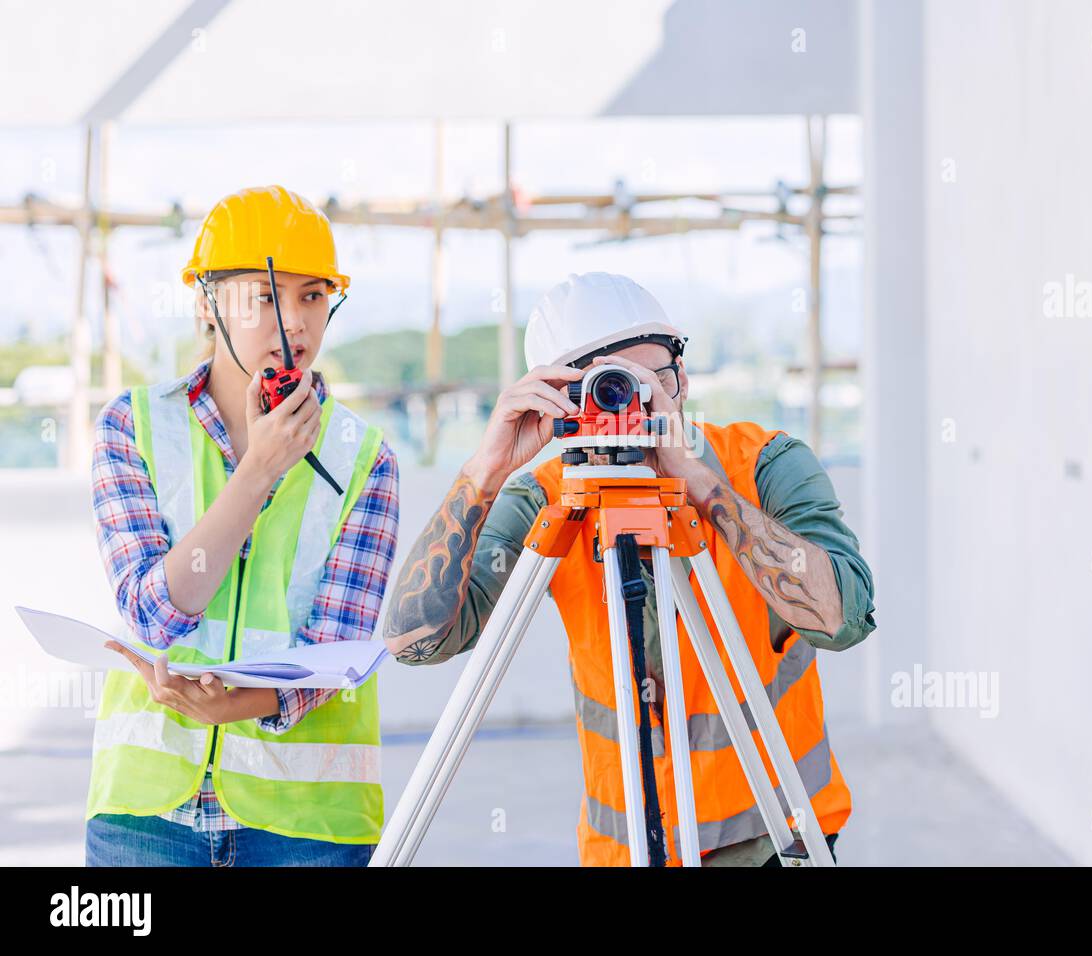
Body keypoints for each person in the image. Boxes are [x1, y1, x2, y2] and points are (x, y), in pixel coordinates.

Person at [383, 271, 875, 866]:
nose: (634, 402)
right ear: (556, 396)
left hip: (779, 837)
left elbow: (842, 619)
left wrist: (696, 483)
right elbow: (416, 642)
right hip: (624, 850)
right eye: (606, 385)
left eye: (652, 380)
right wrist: (484, 470)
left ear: (683, 377)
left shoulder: (765, 464)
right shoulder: (546, 502)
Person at [84, 185, 399, 867]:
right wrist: (257, 472)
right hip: (146, 816)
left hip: (307, 825)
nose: (294, 323)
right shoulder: (130, 427)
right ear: (205, 304)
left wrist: (244, 703)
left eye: (313, 295)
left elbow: (337, 650)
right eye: (263, 296)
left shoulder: (366, 458)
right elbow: (156, 614)